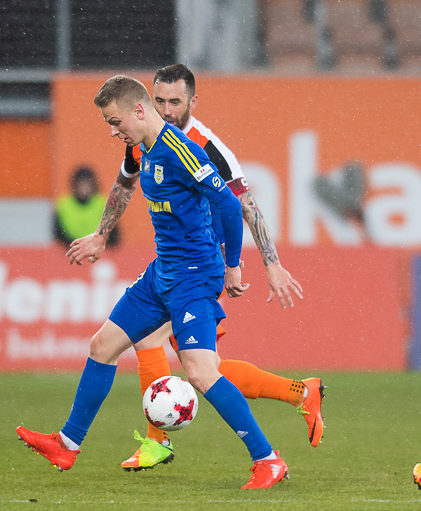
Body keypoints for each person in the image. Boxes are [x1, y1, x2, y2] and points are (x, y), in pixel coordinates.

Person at [17, 74, 289, 489]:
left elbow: (229, 205)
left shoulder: (182, 151)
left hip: (195, 277)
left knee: (201, 372)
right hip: (162, 273)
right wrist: (101, 235)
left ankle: (268, 459)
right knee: (102, 346)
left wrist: (233, 265)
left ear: (139, 111)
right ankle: (67, 444)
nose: (113, 131)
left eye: (115, 122)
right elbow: (124, 185)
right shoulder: (140, 148)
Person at [118, 64, 321, 473]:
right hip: (176, 263)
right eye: (160, 101)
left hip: (200, 266)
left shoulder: (205, 146)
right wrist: (101, 234)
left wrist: (270, 264)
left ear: (193, 101)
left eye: (176, 102)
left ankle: (160, 442)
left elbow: (245, 205)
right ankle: (300, 392)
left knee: (172, 352)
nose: (167, 109)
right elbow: (125, 181)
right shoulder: (143, 137)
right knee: (202, 367)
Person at [53, 166, 120, 248]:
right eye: (80, 184)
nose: (83, 188)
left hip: (98, 250)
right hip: (69, 249)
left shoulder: (104, 204)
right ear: (74, 185)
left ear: (93, 185)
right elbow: (58, 234)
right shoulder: (64, 204)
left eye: (87, 184)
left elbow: (114, 235)